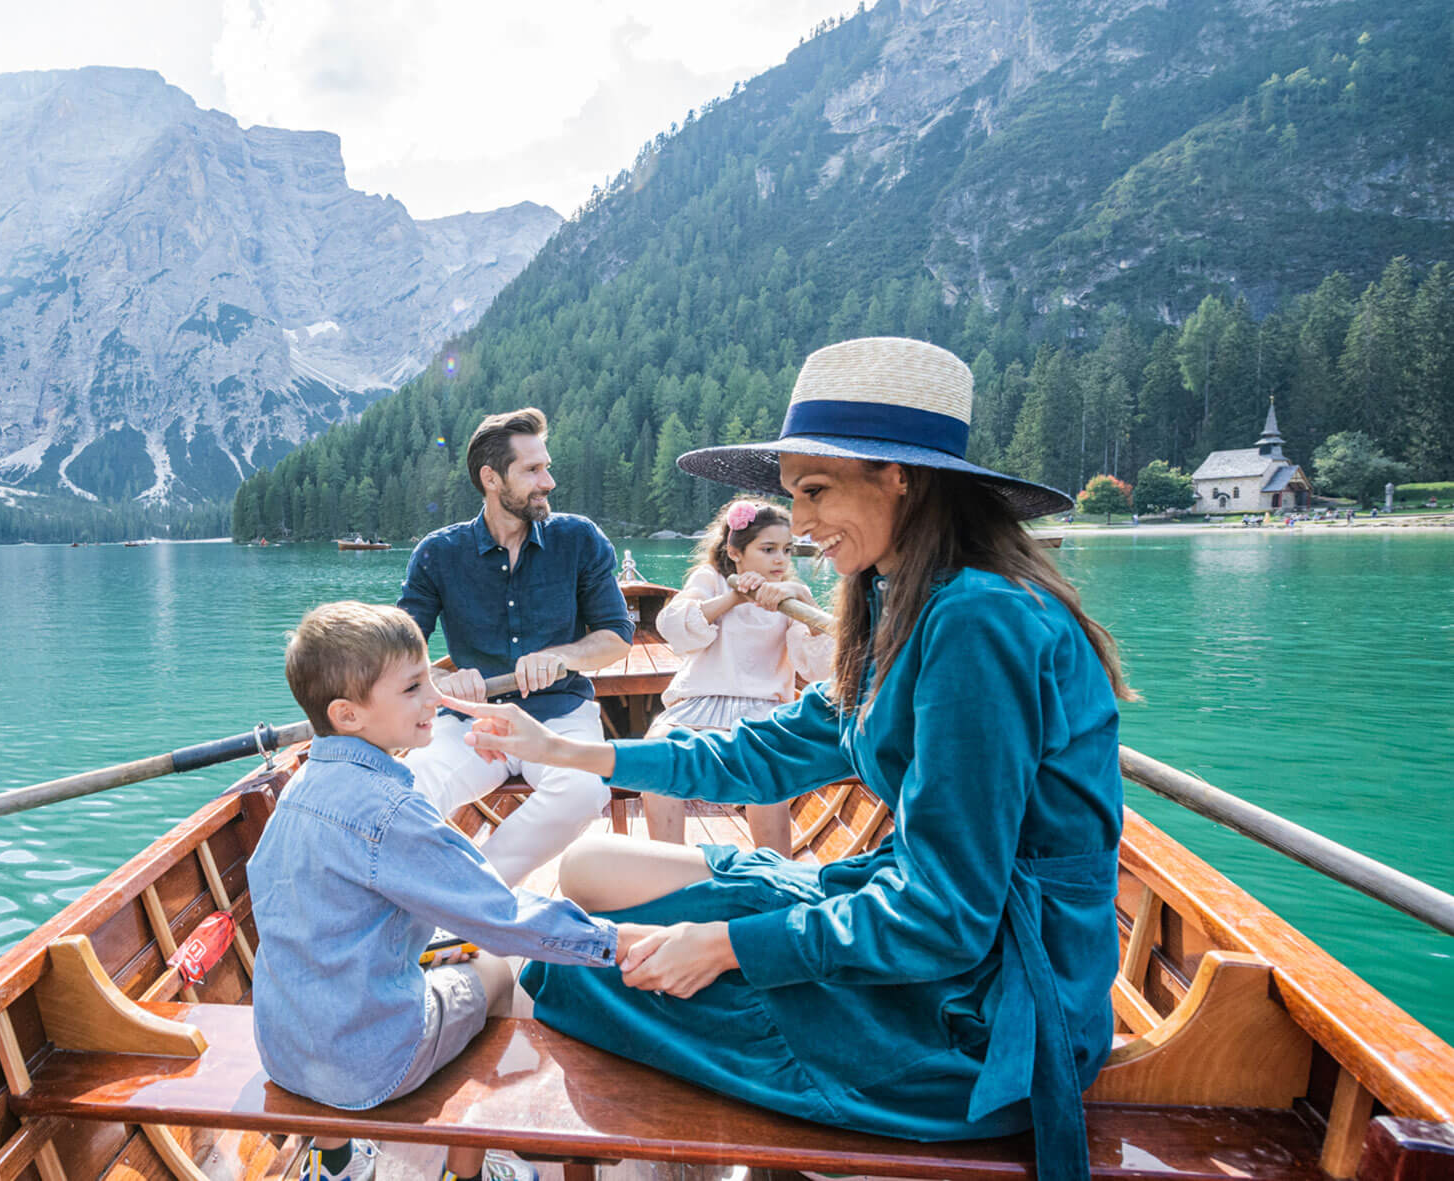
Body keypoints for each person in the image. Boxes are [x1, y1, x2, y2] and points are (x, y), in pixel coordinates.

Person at [443, 337, 1135, 1181]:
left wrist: (730, 945)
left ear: (900, 477)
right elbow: (769, 750)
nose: (798, 525)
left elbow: (948, 915)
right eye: (790, 497)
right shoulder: (906, 600)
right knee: (588, 873)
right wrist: (564, 750)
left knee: (569, 975)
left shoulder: (976, 623)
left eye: (813, 491)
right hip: (927, 939)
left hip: (985, 1017)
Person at [250, 601, 646, 1181]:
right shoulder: (392, 810)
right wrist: (615, 942)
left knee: (432, 954)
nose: (433, 698)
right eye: (413, 688)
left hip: (283, 1049)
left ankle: (332, 1162)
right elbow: (503, 917)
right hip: (373, 1063)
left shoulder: (300, 783)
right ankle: (467, 1169)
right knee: (498, 975)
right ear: (348, 714)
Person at [396, 408, 634, 884]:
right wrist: (440, 679)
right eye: (532, 470)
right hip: (471, 720)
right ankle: (445, 901)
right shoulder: (438, 554)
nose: (548, 481)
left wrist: (561, 656)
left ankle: (473, 891)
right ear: (491, 478)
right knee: (403, 792)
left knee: (583, 791)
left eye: (546, 466)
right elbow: (398, 652)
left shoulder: (579, 539)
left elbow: (616, 636)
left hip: (560, 715)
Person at [643, 497, 832, 851]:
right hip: (699, 704)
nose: (781, 560)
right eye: (769, 549)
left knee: (766, 763)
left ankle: (776, 876)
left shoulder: (789, 597)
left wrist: (805, 599)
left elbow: (820, 669)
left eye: (787, 550)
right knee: (657, 754)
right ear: (735, 551)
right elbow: (671, 626)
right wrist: (734, 598)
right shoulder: (711, 580)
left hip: (764, 711)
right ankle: (666, 867)